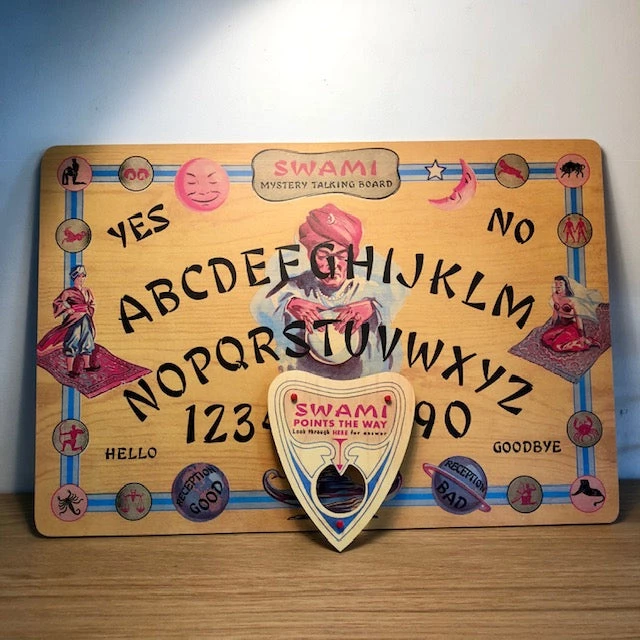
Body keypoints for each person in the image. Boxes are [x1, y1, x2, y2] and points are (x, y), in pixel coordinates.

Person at [252, 203, 398, 379]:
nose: (332, 265)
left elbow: (397, 300)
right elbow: (259, 304)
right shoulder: (297, 287)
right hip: (305, 381)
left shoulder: (368, 289)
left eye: (342, 256)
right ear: (310, 256)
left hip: (360, 381)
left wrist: (372, 306)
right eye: (323, 256)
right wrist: (289, 303)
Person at [37, 265, 99, 377]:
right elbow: (57, 302)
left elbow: (92, 304)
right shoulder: (68, 292)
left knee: (87, 339)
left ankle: (87, 365)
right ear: (74, 278)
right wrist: (67, 309)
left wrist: (89, 310)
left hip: (86, 318)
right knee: (73, 340)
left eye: (83, 276)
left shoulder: (87, 291)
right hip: (74, 320)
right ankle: (70, 370)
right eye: (79, 276)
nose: (81, 279)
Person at [541, 275, 601, 353]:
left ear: (565, 285)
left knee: (556, 346)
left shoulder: (572, 300)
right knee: (545, 338)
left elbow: (578, 318)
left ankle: (587, 341)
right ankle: (573, 340)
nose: (558, 286)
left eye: (560, 284)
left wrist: (582, 335)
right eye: (556, 283)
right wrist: (553, 325)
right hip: (562, 325)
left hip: (573, 326)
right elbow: (556, 310)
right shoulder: (554, 296)